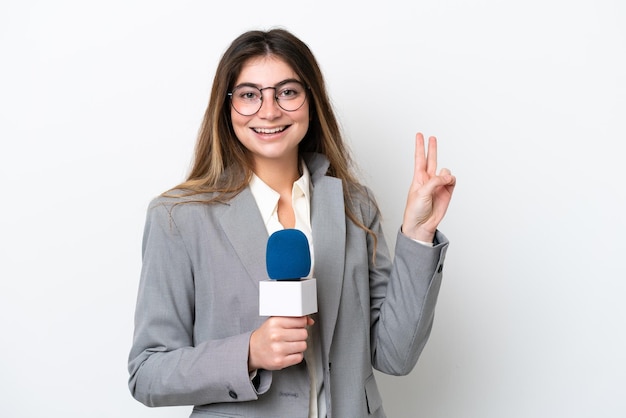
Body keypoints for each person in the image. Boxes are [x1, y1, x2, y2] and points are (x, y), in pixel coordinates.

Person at [128, 28, 456, 418]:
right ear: (226, 107)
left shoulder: (355, 206)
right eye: (250, 95)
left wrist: (418, 235)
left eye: (287, 92)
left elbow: (395, 355)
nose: (269, 111)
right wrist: (249, 353)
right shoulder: (179, 217)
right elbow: (147, 372)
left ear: (311, 101)